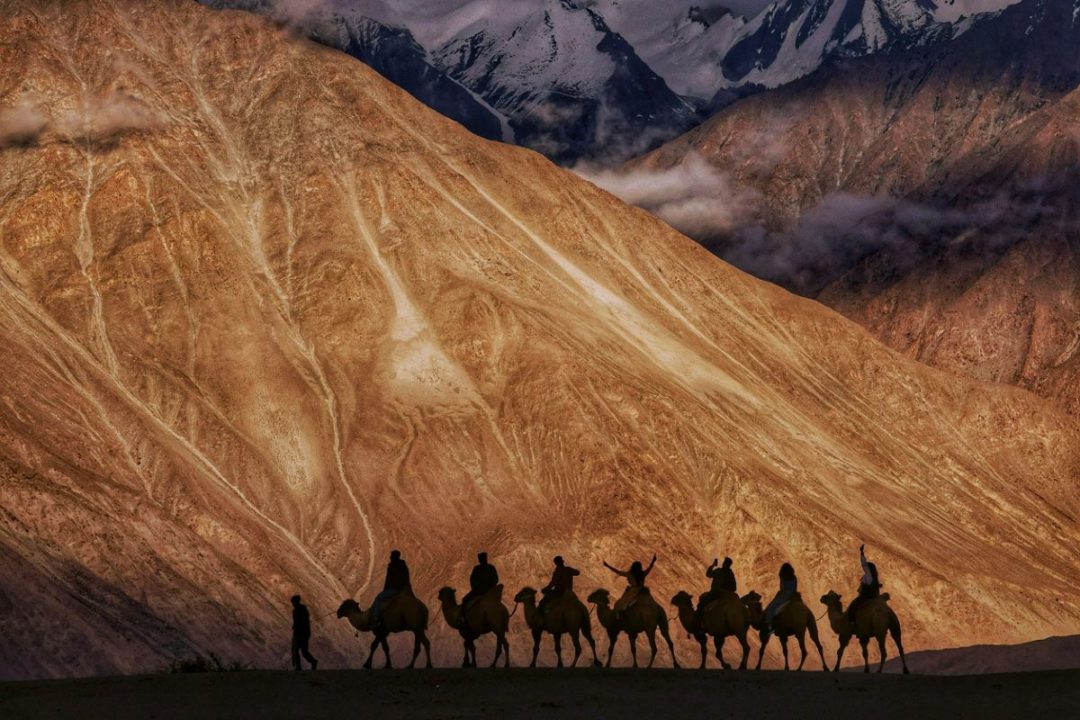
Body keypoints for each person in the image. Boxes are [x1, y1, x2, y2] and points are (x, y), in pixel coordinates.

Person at [372, 549, 411, 626]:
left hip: (394, 589)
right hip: (404, 589)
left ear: (393, 557)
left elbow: (388, 580)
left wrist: (384, 590)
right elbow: (407, 577)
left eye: (391, 556)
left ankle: (376, 619)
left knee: (379, 598)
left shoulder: (392, 566)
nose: (390, 557)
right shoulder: (403, 565)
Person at [845, 545, 881, 622]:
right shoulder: (874, 578)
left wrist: (862, 553)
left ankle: (851, 622)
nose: (865, 568)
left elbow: (864, 564)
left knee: (853, 605)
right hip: (873, 598)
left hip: (865, 598)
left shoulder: (868, 576)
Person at [763, 563, 798, 632]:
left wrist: (779, 594)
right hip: (794, 596)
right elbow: (795, 588)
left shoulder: (784, 577)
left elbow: (782, 589)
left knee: (771, 607)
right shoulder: (794, 577)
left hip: (786, 596)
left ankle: (770, 626)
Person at [291, 594, 318, 670]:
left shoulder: (297, 610)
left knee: (299, 651)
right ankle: (310, 663)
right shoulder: (302, 610)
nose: (293, 604)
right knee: (302, 651)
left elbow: (299, 622)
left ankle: (300, 666)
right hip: (303, 633)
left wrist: (296, 626)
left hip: (301, 634)